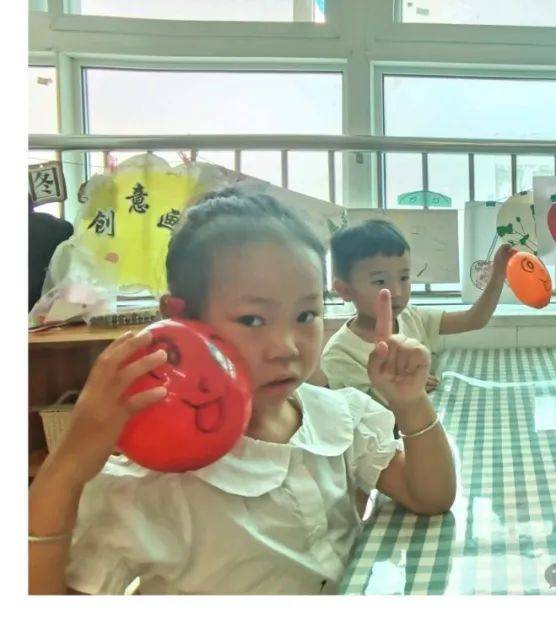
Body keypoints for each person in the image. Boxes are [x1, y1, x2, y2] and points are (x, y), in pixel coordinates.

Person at [28, 190, 456, 595]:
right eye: (253, 320)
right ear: (180, 320)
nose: (287, 347)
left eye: (306, 315)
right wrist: (68, 467)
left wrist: (410, 403)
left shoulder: (340, 417)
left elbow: (430, 496)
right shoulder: (148, 487)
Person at [322, 219, 513, 402]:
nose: (397, 292)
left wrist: (498, 273)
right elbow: (367, 415)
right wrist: (410, 387)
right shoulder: (340, 353)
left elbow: (474, 319)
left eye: (404, 278)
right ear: (345, 290)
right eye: (380, 281)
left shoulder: (411, 316)